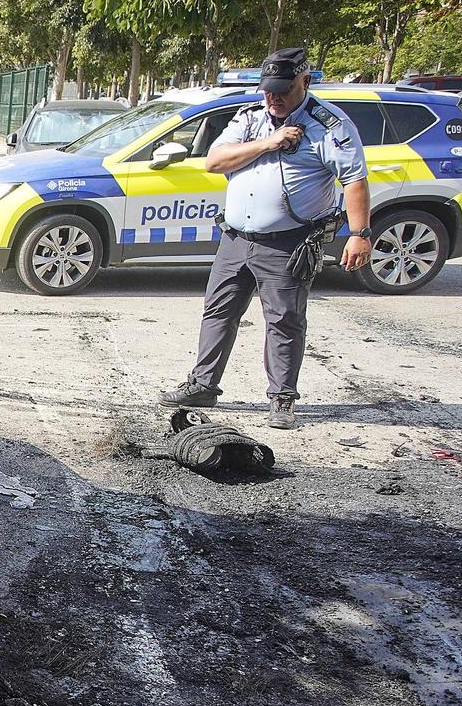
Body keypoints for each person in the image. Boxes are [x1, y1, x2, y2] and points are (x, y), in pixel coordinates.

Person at [158, 47, 369, 430]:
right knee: (218, 312)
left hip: (288, 242)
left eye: (283, 90)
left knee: (284, 320)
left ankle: (282, 400)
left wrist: (359, 234)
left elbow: (354, 179)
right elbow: (214, 161)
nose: (274, 97)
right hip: (236, 238)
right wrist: (267, 144)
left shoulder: (330, 127)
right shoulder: (251, 117)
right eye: (268, 89)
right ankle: (203, 386)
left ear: (304, 82)